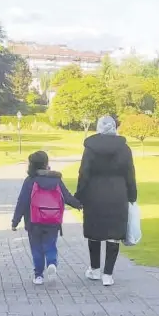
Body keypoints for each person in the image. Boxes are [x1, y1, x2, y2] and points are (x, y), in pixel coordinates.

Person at [75, 116, 137, 286]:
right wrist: (132, 196)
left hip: (94, 194)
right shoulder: (125, 149)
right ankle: (108, 274)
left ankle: (94, 270)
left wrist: (79, 195)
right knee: (114, 235)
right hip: (118, 194)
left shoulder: (90, 149)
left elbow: (84, 173)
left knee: (94, 234)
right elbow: (130, 175)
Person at [12, 151, 82, 285]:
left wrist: (15, 221)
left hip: (33, 221)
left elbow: (22, 201)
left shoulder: (30, 181)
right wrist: (78, 204)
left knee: (36, 248)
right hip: (53, 220)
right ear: (46, 163)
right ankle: (51, 263)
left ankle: (38, 276)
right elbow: (66, 197)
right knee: (50, 245)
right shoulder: (56, 179)